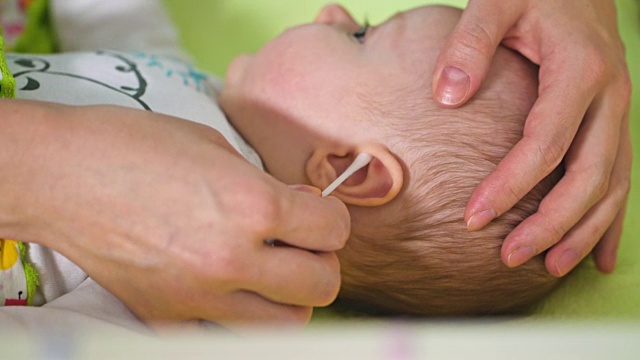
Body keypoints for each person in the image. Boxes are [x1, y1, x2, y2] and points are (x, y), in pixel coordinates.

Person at [0, 0, 631, 325]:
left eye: (360, 35)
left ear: (347, 169)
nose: (330, 12)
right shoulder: (196, 82)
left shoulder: (209, 276)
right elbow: (117, 23)